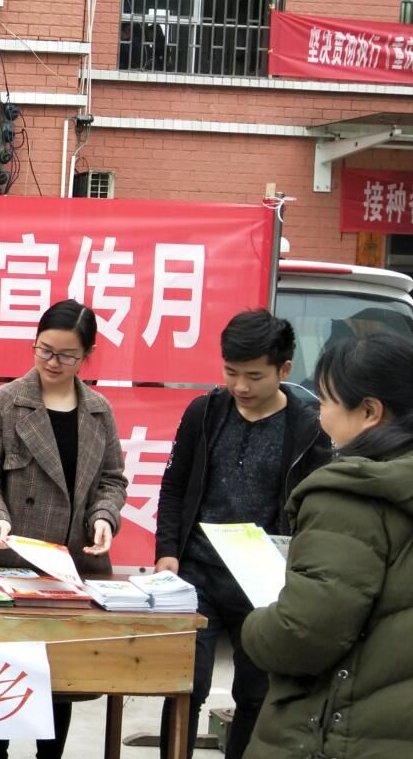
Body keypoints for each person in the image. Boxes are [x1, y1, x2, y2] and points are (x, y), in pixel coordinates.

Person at [240, 334, 413, 758]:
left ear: (369, 411)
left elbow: (303, 634)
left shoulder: (349, 495)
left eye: (326, 401)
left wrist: (255, 626)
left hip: (349, 734)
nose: (320, 416)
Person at [154, 309, 331, 759]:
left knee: (256, 693)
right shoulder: (205, 412)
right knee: (184, 685)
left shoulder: (308, 427)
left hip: (264, 580)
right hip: (197, 571)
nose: (240, 386)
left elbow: (315, 508)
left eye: (254, 376)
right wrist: (167, 552)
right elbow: (175, 486)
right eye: (231, 372)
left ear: (283, 369)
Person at [0, 299, 129, 759]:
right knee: (4, 669)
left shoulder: (98, 411)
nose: (53, 362)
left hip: (68, 567)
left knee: (60, 675)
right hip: (6, 559)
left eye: (66, 355)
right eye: (44, 350)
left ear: (87, 355)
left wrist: (104, 517)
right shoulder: (4, 402)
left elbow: (112, 480)